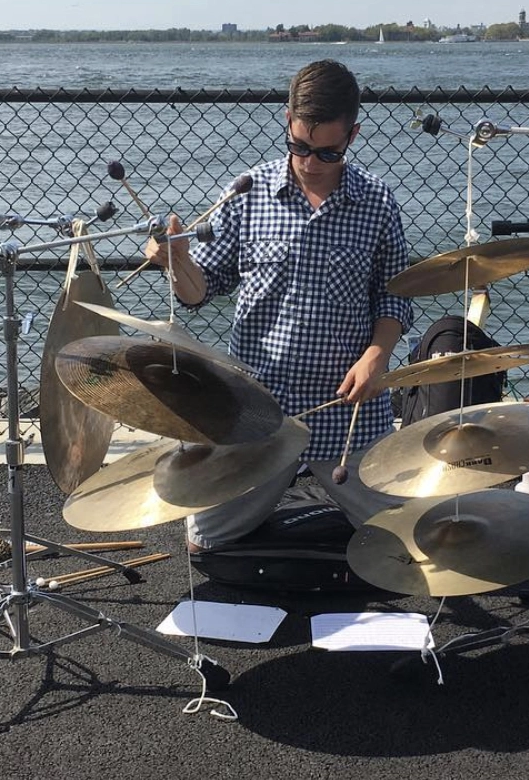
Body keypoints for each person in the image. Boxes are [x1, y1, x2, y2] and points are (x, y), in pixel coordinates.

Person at [145, 59, 413, 552]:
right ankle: (280, 489)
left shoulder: (378, 202)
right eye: (299, 147)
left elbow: (394, 292)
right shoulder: (247, 194)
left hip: (346, 411)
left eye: (327, 153)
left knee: (403, 544)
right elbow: (200, 292)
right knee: (205, 541)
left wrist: (377, 356)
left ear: (352, 134)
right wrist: (177, 262)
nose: (310, 162)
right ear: (286, 119)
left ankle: (315, 488)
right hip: (258, 411)